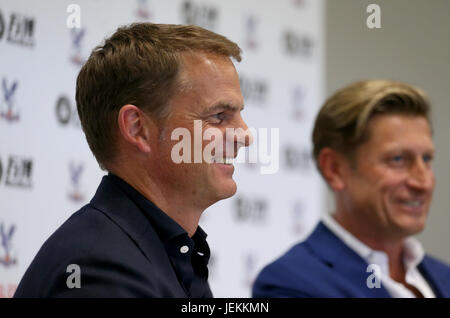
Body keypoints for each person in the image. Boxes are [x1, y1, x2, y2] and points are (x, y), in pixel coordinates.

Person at [14, 23, 251, 297]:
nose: (245, 136)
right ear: (137, 128)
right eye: (219, 116)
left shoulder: (163, 250)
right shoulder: (101, 267)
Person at [253, 80, 450, 298]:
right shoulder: (290, 283)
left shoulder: (444, 276)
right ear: (335, 169)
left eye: (427, 159)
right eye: (398, 159)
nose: (423, 182)